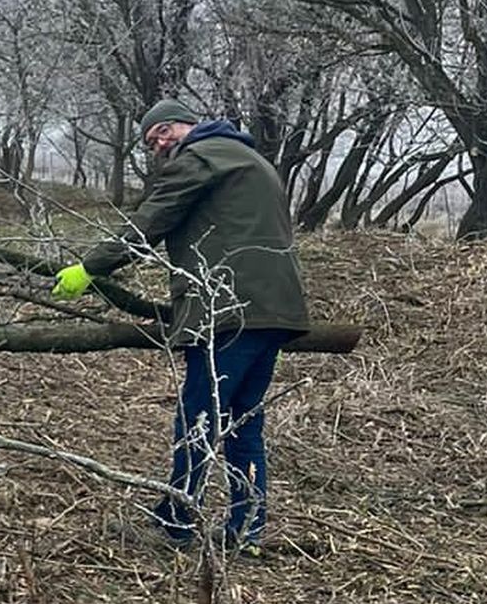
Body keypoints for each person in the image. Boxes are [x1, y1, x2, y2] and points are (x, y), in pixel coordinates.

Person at [54, 96, 309, 550]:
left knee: (199, 416)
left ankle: (176, 522)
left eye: (161, 135)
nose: (159, 147)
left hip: (229, 309)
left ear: (184, 126)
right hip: (275, 310)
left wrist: (90, 267)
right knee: (243, 422)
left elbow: (150, 221)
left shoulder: (201, 158)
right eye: (151, 143)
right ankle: (246, 528)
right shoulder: (249, 158)